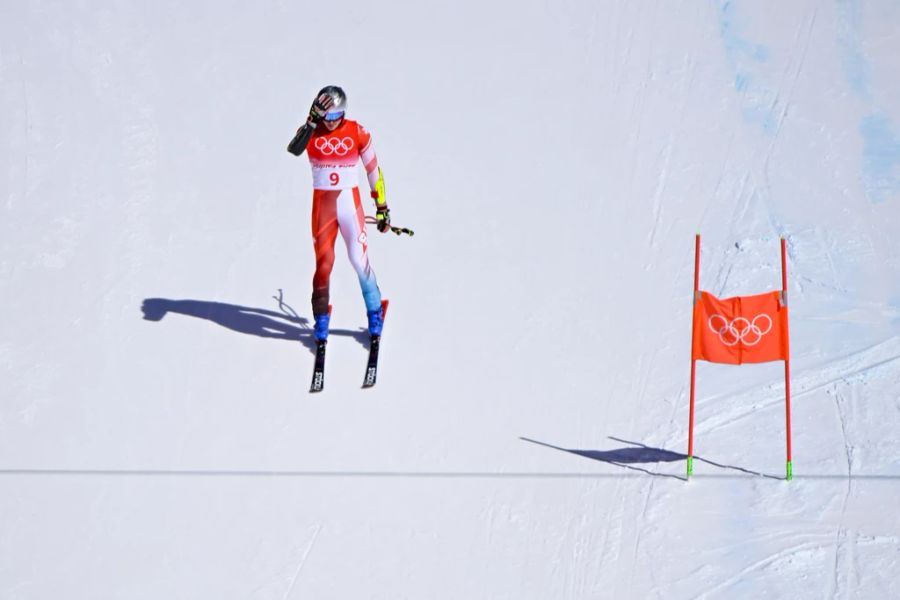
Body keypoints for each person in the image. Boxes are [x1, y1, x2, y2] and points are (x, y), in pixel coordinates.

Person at [287, 85, 390, 342]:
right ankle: (321, 320)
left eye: (337, 117)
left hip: (349, 205)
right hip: (323, 208)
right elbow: (294, 149)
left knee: (358, 259)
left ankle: (375, 311)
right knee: (324, 265)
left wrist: (382, 208)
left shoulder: (357, 131)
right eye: (327, 117)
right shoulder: (312, 132)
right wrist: (311, 122)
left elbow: (373, 170)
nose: (332, 123)